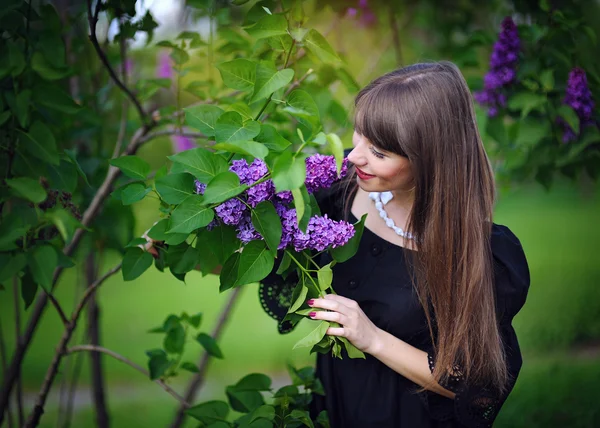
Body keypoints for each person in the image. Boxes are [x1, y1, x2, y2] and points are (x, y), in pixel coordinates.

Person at [282, 61, 529, 427]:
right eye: (359, 133)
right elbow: (269, 250)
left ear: (429, 160)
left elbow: (470, 384)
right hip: (333, 409)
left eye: (379, 152)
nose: (353, 157)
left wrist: (372, 338)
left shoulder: (479, 255)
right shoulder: (340, 193)